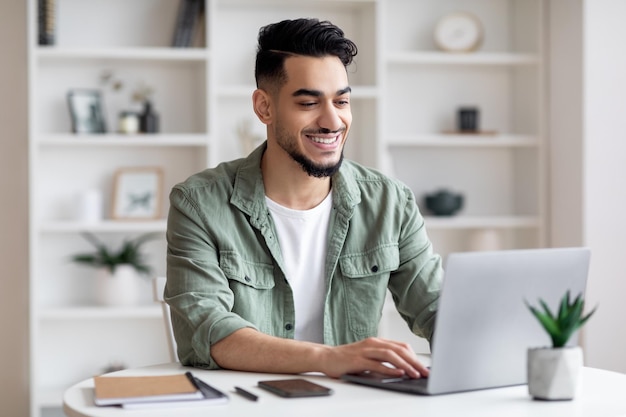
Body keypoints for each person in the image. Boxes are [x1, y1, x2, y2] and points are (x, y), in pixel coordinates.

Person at [165, 18, 443, 380]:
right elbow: (210, 331)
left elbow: (438, 310)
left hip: (353, 405)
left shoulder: (390, 202)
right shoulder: (199, 203)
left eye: (341, 101)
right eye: (309, 102)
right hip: (248, 404)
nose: (332, 121)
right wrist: (328, 358)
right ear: (264, 107)